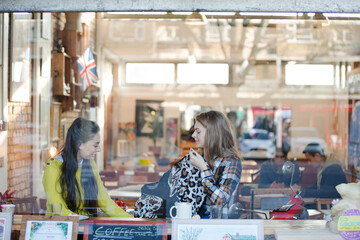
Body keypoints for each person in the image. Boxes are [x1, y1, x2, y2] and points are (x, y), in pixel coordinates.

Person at [43, 117, 132, 217]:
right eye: (95, 145)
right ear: (80, 144)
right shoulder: (53, 167)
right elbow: (58, 209)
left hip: (85, 226)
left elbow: (104, 201)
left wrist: (132, 220)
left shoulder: (90, 164)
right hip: (63, 228)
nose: (98, 149)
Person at [189, 110, 242, 217]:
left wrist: (204, 169)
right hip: (196, 224)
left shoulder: (231, 162)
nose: (193, 135)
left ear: (212, 133)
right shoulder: (201, 158)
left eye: (198, 132)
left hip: (218, 227)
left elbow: (220, 200)